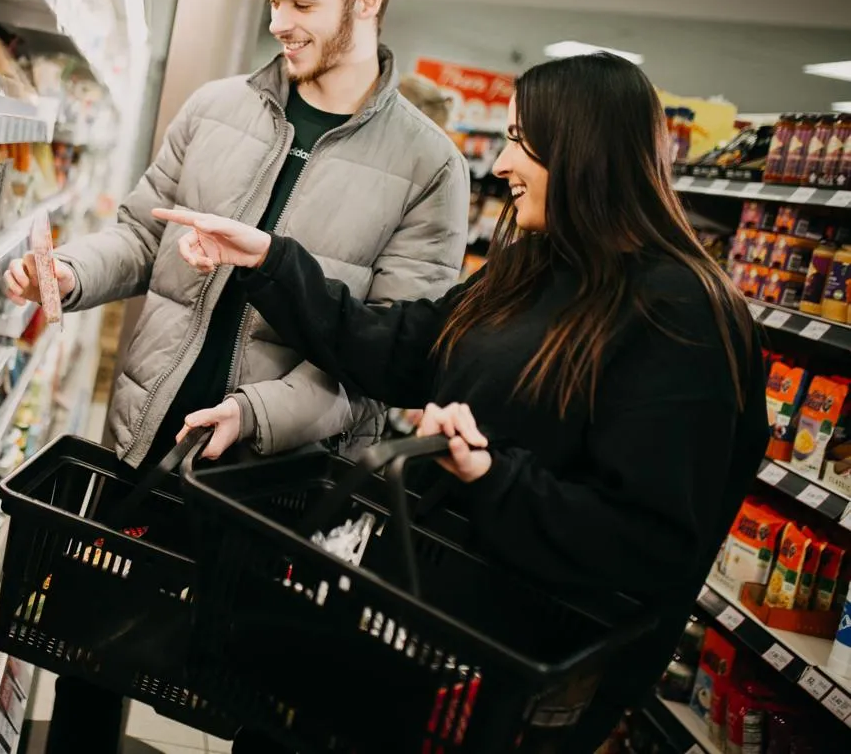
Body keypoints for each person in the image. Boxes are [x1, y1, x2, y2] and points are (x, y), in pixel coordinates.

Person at [159, 52, 768, 752]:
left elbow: (647, 543)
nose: (501, 164)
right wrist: (270, 259)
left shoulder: (681, 315)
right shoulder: (535, 267)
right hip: (415, 620)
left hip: (497, 685)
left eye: (519, 140)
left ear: (582, 149)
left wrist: (490, 474)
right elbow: (403, 349)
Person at [4, 0, 468, 754]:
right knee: (88, 654)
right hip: (147, 439)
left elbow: (388, 363)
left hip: (274, 487)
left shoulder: (428, 169)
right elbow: (144, 235)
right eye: (273, 3)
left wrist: (257, 416)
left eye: (302, 3)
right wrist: (68, 274)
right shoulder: (216, 107)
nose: (280, 25)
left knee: (257, 706)